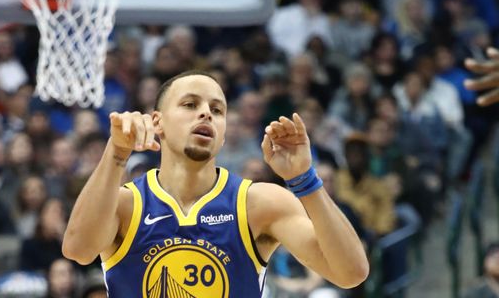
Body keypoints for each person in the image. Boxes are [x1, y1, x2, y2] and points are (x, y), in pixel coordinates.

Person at [63, 70, 368, 297]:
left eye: (217, 110)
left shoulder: (258, 203)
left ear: (222, 134)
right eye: (190, 104)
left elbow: (350, 273)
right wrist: (116, 152)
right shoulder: (124, 204)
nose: (206, 113)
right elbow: (78, 249)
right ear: (157, 122)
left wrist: (304, 179)